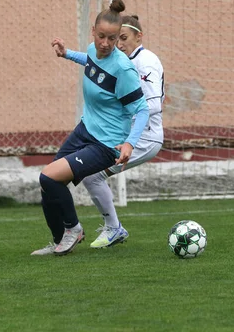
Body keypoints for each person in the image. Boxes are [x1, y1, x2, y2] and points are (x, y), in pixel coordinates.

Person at [31, 0, 149, 256]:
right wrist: (67, 54)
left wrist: (129, 144)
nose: (105, 44)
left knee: (48, 176)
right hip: (85, 130)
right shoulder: (93, 50)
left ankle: (73, 228)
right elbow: (91, 61)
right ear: (93, 32)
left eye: (112, 38)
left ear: (119, 37)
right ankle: (60, 239)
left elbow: (141, 110)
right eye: (101, 37)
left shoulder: (123, 69)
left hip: (105, 144)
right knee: (49, 184)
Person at [52, 14, 165, 249]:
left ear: (139, 36)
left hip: (144, 135)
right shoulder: (118, 58)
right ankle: (107, 228)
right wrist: (68, 54)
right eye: (115, 38)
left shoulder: (146, 61)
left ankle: (112, 228)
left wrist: (121, 112)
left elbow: (152, 105)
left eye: (121, 38)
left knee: (93, 175)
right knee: (77, 173)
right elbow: (93, 62)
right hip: (122, 132)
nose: (117, 43)